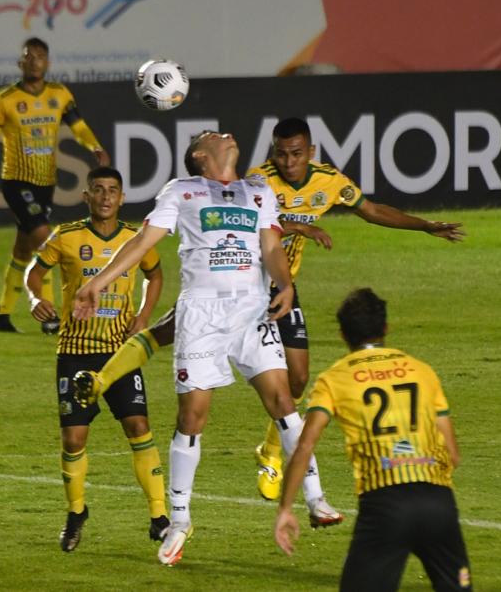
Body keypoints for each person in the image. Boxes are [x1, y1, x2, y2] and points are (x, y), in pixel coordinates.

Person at [73, 117, 465, 500]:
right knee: (173, 345)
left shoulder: (324, 181)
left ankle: (280, 463)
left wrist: (424, 225)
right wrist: (298, 227)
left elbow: (371, 211)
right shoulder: (254, 180)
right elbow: (238, 226)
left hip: (272, 292)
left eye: (295, 154)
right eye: (281, 153)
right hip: (220, 291)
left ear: (310, 152)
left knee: (294, 384)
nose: (288, 161)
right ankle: (107, 387)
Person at [72, 131, 343, 567]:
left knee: (283, 401)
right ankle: (179, 521)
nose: (227, 135)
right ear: (201, 155)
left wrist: (286, 284)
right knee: (192, 417)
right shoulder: (182, 191)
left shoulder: (258, 190)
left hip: (252, 311)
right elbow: (143, 242)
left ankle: (316, 498)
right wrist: (96, 283)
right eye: (215, 136)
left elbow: (271, 246)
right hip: (201, 315)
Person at [275, 288, 472, 592]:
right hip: (439, 502)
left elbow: (304, 446)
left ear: (342, 334)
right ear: (385, 329)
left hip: (385, 505)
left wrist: (286, 508)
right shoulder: (422, 372)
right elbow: (453, 454)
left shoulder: (334, 378)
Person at [26, 166, 167, 552]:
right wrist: (37, 299)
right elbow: (33, 273)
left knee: (138, 425)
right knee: (74, 438)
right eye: (99, 190)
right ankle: (76, 512)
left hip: (120, 352)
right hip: (74, 352)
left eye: (113, 191)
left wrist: (142, 316)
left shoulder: (137, 239)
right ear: (86, 195)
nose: (106, 197)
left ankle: (159, 516)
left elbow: (155, 276)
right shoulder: (66, 237)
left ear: (122, 198)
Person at [0, 36, 110, 334]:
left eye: (40, 55)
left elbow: (78, 126)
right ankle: (49, 316)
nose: (34, 60)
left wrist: (95, 147)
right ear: (20, 62)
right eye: (29, 55)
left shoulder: (60, 94)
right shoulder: (4, 100)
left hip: (45, 183)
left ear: (47, 62)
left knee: (23, 249)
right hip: (16, 181)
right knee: (46, 242)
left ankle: (2, 314)